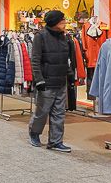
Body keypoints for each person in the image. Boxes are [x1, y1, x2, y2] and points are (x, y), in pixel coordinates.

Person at [28, 10, 75, 153]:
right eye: (62, 21)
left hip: (61, 81)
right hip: (46, 82)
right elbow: (35, 60)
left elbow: (65, 60)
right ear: (55, 22)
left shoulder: (65, 38)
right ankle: (34, 133)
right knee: (42, 111)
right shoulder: (40, 36)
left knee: (59, 113)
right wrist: (39, 80)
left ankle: (55, 141)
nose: (65, 23)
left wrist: (70, 75)